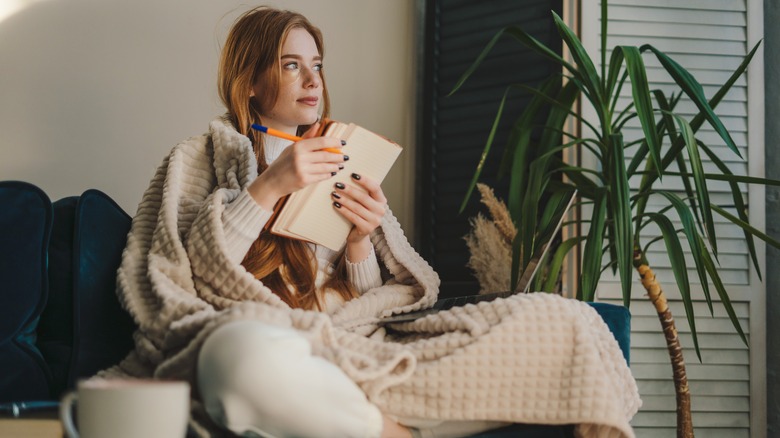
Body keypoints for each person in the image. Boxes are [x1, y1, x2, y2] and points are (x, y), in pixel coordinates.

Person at [105, 5, 641, 438]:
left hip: (360, 346)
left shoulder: (344, 154)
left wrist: (361, 243)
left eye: (317, 64)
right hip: (274, 343)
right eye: (291, 64)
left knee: (565, 321)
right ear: (249, 81)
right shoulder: (198, 159)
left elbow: (376, 303)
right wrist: (268, 188)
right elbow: (184, 275)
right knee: (235, 357)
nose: (312, 79)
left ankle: (344, 417)